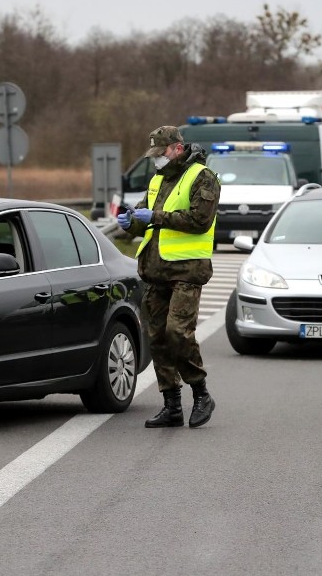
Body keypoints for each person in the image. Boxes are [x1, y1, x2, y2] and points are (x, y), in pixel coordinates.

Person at [116, 126, 221, 428]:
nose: (156, 161)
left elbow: (200, 222)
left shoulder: (203, 177)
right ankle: (171, 404)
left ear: (176, 148)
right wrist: (130, 222)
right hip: (156, 269)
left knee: (178, 332)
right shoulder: (157, 180)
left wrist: (156, 217)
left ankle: (201, 394)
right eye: (153, 156)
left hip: (187, 271)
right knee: (158, 337)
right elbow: (143, 220)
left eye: (160, 154)